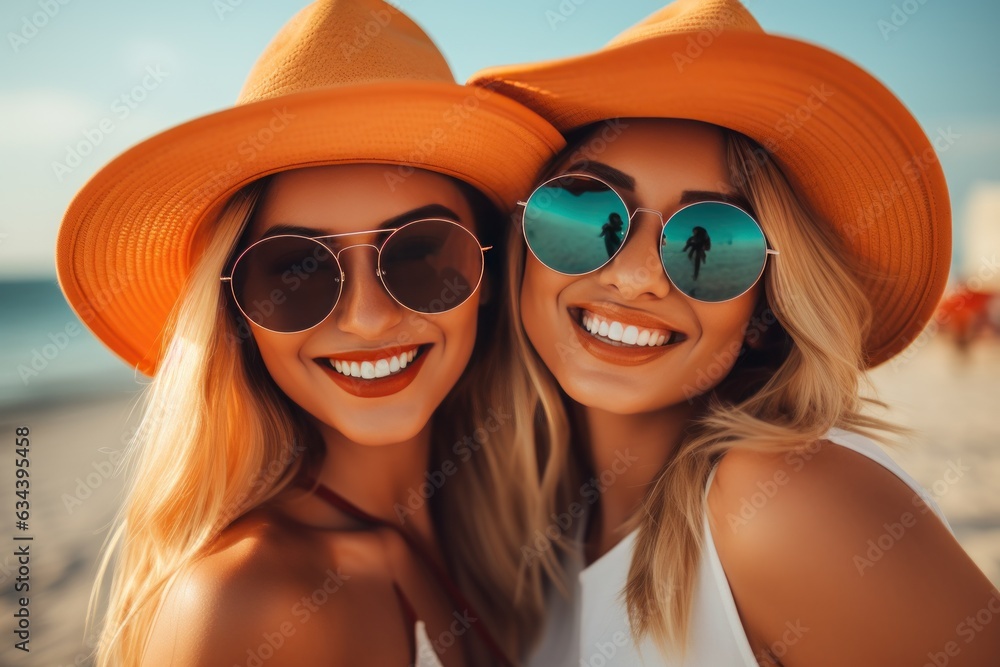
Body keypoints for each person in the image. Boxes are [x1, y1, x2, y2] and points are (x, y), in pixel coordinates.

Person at [471, 0, 1000, 664]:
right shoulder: (534, 525)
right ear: (522, 245)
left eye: (715, 237)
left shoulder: (783, 503)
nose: (636, 277)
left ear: (766, 310)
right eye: (586, 213)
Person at [56, 1, 565, 665]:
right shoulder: (253, 598)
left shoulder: (516, 534)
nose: (366, 317)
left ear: (489, 273)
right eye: (296, 270)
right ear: (236, 313)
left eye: (418, 253)